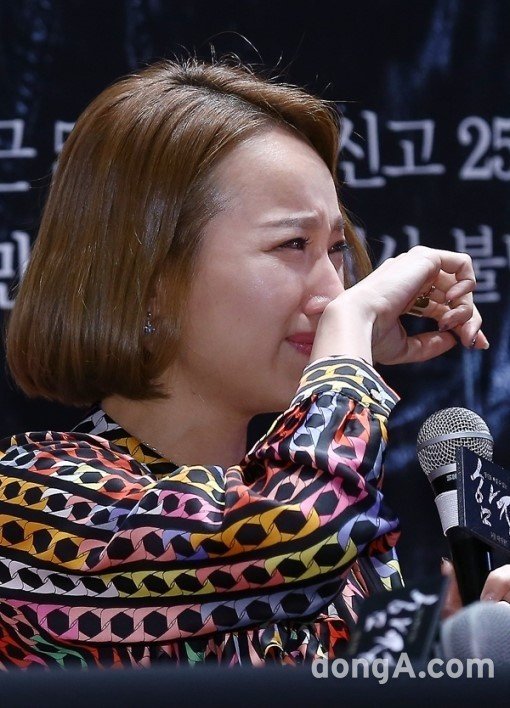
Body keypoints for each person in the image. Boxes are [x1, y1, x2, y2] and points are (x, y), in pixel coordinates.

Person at [0, 57, 503, 670]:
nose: (333, 292)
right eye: (292, 244)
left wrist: (452, 652)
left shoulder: (334, 513)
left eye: (336, 249)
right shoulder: (29, 501)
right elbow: (294, 537)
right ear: (151, 280)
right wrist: (349, 343)